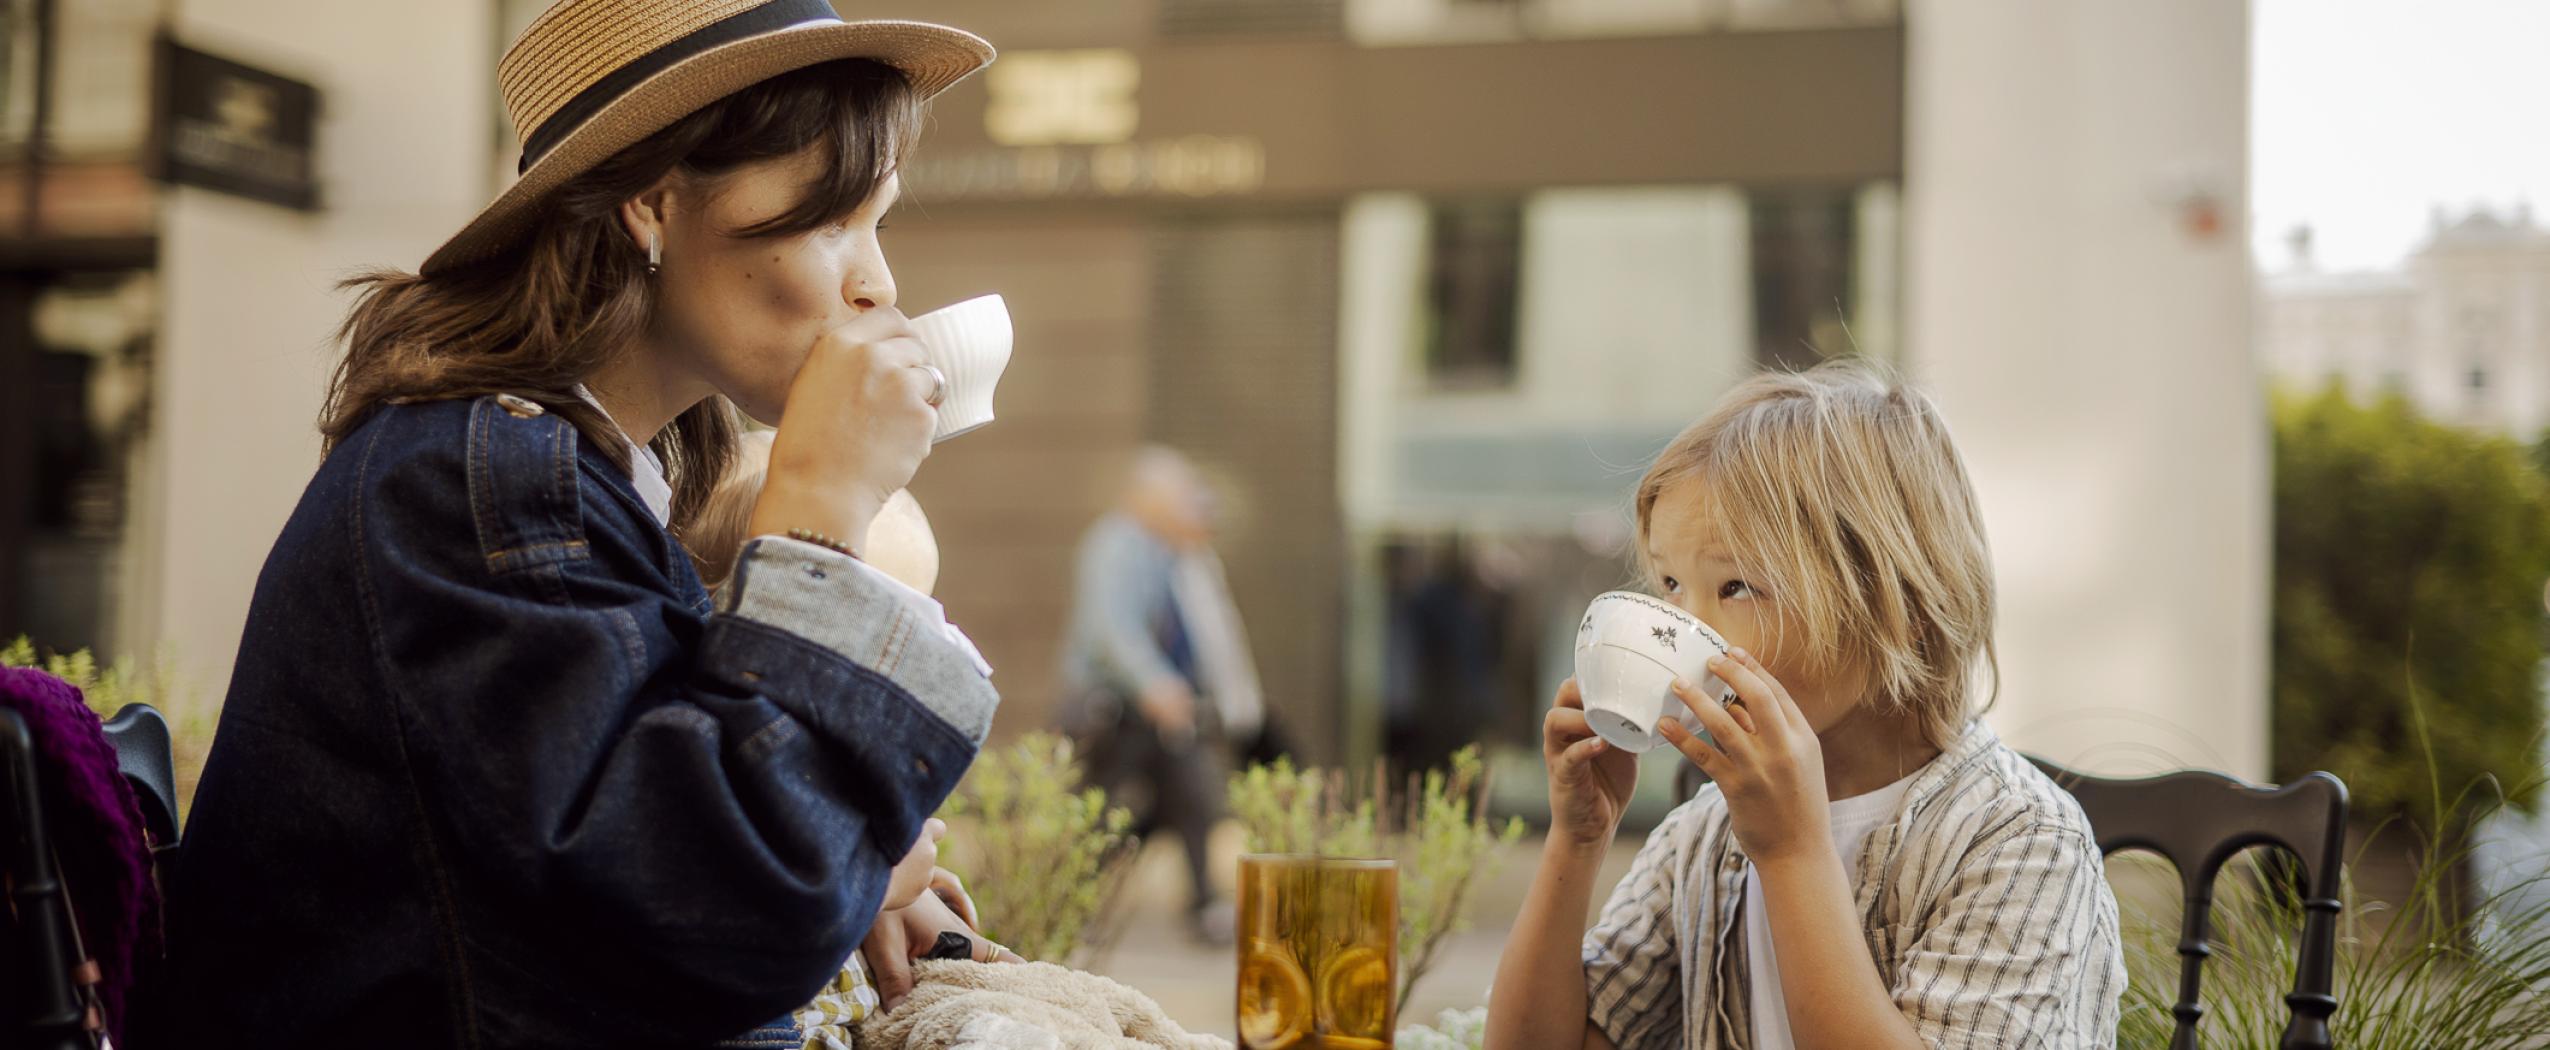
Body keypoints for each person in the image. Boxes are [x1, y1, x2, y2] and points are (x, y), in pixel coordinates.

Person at [159, 3, 1015, 1046]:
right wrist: (823, 510)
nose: (877, 281)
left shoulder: (541, 469)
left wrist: (854, 879)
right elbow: (721, 917)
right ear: (651, 204)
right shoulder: (478, 485)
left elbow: (655, 860)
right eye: (830, 219)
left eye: (877, 221)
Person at [1486, 360, 2125, 1049]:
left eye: (1735, 587)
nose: (1685, 631)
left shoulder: (2018, 843)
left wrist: (1792, 855)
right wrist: (1578, 840)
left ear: (1902, 607)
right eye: (1670, 585)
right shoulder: (1706, 835)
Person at [1059, 447, 1276, 945]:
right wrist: (1154, 683)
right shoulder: (1115, 544)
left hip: (1168, 711)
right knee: (1103, 810)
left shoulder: (1178, 555)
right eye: (1179, 493)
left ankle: (1205, 904)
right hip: (1118, 708)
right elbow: (1111, 630)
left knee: (1194, 797)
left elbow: (1210, 633)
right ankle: (1072, 900)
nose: (1187, 503)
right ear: (1146, 496)